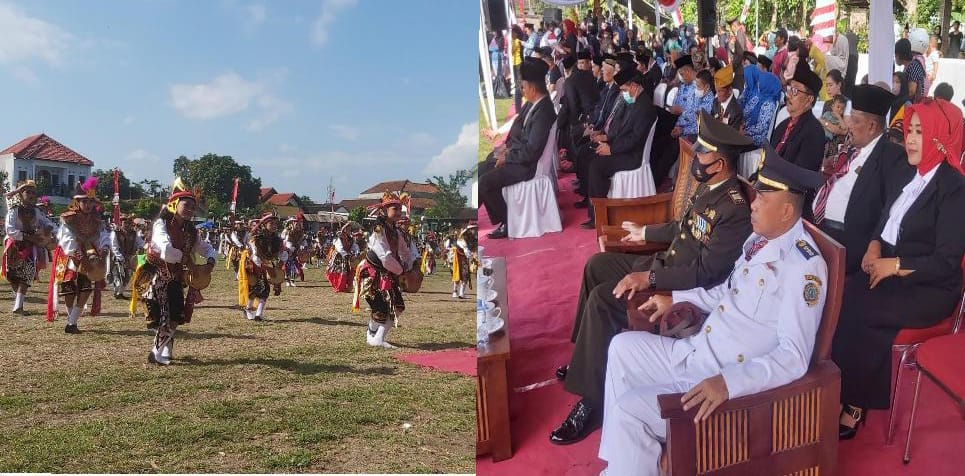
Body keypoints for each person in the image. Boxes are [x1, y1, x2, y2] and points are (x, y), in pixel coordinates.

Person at [597, 146, 827, 475]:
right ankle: (624, 466)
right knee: (621, 348)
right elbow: (726, 291)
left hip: (723, 386)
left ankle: (629, 465)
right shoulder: (759, 241)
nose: (753, 203)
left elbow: (793, 356)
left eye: (762, 199)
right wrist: (675, 298)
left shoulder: (804, 267)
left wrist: (729, 383)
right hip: (700, 351)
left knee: (629, 410)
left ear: (788, 212)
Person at [550, 112, 754, 445]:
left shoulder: (733, 208)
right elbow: (681, 229)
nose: (695, 160)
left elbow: (707, 273)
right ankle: (584, 359)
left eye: (702, 154)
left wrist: (651, 278)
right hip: (665, 261)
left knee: (606, 296)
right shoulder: (710, 188)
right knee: (597, 265)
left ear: (719, 164)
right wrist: (645, 231)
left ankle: (593, 401)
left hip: (680, 285)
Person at [832, 98, 965, 439]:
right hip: (891, 268)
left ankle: (854, 401)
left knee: (861, 310)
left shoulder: (955, 189)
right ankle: (837, 387)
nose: (911, 138)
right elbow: (885, 217)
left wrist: (894, 265)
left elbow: (946, 262)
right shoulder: (908, 172)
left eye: (921, 132)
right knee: (840, 296)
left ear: (940, 137)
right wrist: (875, 244)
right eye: (910, 129)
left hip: (930, 287)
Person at [812, 85, 911, 275]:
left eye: (855, 120)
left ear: (872, 126)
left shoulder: (890, 156)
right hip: (822, 228)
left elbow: (890, 208)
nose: (848, 124)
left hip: (848, 242)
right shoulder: (853, 149)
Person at [130, 179, 217, 365]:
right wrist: (186, 260)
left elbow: (206, 249)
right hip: (155, 274)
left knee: (176, 315)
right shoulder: (161, 224)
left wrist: (210, 261)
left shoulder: (192, 231)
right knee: (162, 315)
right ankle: (159, 350)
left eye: (193, 207)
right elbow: (167, 251)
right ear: (175, 204)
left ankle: (159, 351)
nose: (190, 209)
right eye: (187, 205)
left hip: (175, 276)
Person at [479, 57, 556, 239]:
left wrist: (508, 156)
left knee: (485, 182)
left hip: (526, 166)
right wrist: (505, 149)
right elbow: (517, 131)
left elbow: (531, 151)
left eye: (523, 86)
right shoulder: (532, 104)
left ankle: (506, 221)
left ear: (532, 87)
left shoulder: (544, 111)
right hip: (517, 156)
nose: (522, 90)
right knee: (482, 169)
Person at [580, 67, 658, 228]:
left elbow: (634, 140)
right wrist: (607, 140)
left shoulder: (644, 107)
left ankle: (599, 216)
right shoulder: (635, 102)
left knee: (596, 166)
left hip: (632, 157)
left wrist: (611, 150)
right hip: (622, 149)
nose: (622, 94)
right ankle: (595, 208)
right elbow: (623, 130)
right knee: (590, 153)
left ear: (634, 86)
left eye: (624, 90)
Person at [352, 192, 415, 348]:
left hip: (387, 274)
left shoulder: (396, 231)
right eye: (395, 208)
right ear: (384, 210)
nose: (399, 212)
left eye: (400, 208)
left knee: (397, 307)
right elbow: (385, 257)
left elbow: (405, 251)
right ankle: (376, 338)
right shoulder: (378, 230)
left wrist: (411, 264)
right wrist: (402, 271)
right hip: (372, 274)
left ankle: (373, 335)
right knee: (382, 309)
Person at [47, 178, 110, 333]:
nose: (88, 205)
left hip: (90, 253)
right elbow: (66, 239)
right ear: (77, 202)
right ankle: (71, 319)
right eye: (85, 201)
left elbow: (103, 236)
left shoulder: (97, 220)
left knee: (86, 288)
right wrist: (80, 257)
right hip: (69, 255)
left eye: (91, 202)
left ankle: (72, 322)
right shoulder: (68, 218)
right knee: (69, 289)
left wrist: (104, 249)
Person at [3, 180, 56, 314]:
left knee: (27, 275)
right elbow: (10, 230)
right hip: (14, 246)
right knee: (13, 276)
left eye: (33, 192)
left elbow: (48, 223)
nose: (31, 195)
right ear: (21, 193)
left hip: (31, 248)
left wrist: (50, 229)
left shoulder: (36, 211)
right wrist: (27, 236)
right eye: (28, 192)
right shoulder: (14, 210)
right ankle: (18, 300)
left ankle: (18, 306)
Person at [770, 61, 826, 174]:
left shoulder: (814, 132)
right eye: (790, 89)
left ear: (809, 99)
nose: (789, 94)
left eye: (795, 91)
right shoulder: (783, 125)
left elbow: (800, 177)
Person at [238, 213, 287, 322]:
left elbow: (283, 254)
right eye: (271, 223)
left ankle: (258, 314)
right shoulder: (256, 238)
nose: (274, 226)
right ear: (264, 225)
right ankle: (248, 310)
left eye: (276, 223)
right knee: (254, 287)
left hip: (267, 264)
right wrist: (266, 267)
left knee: (264, 289)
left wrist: (280, 265)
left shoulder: (278, 240)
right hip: (253, 265)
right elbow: (255, 256)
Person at [739, 65, 782, 147]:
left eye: (761, 81)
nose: (758, 83)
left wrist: (745, 131)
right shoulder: (761, 97)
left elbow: (761, 127)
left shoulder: (769, 104)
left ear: (767, 84)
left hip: (758, 138)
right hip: (750, 131)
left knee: (734, 142)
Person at [108, 214, 143, 299]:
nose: (127, 224)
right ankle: (117, 292)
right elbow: (114, 247)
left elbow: (140, 242)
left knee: (128, 277)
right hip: (118, 258)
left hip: (130, 258)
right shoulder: (115, 233)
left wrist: (140, 247)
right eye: (125, 223)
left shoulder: (134, 234)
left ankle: (120, 293)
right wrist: (121, 257)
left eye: (128, 223)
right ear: (121, 223)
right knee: (119, 276)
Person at [326, 223, 358, 292]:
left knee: (346, 272)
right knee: (337, 271)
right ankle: (339, 286)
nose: (349, 230)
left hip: (347, 257)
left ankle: (345, 286)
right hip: (339, 258)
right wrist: (347, 255)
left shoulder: (351, 239)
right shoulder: (340, 238)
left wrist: (354, 253)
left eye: (350, 229)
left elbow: (354, 247)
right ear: (345, 230)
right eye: (348, 229)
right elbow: (339, 248)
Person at [710, 65, 743, 131]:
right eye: (716, 91)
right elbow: (711, 120)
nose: (717, 95)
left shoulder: (736, 111)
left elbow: (732, 136)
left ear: (730, 90)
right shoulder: (715, 102)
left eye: (720, 91)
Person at [895, 38, 926, 103]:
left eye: (895, 55)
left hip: (914, 105)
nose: (895, 58)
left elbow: (911, 91)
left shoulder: (913, 66)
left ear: (899, 55)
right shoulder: (909, 65)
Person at [451, 223, 477, 298]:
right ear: (470, 229)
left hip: (465, 257)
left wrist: (474, 256)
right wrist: (473, 257)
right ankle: (455, 291)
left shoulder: (474, 238)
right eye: (473, 229)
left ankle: (461, 293)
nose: (475, 230)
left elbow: (474, 249)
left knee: (465, 274)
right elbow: (466, 249)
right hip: (457, 257)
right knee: (457, 274)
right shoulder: (463, 237)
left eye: (476, 229)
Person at [281, 213, 307, 287]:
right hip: (287, 251)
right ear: (292, 224)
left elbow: (303, 241)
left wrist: (304, 247)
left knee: (295, 267)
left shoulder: (301, 232)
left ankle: (292, 280)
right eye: (296, 224)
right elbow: (283, 238)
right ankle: (287, 280)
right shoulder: (288, 231)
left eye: (299, 224)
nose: (298, 226)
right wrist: (289, 248)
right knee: (287, 265)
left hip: (295, 251)